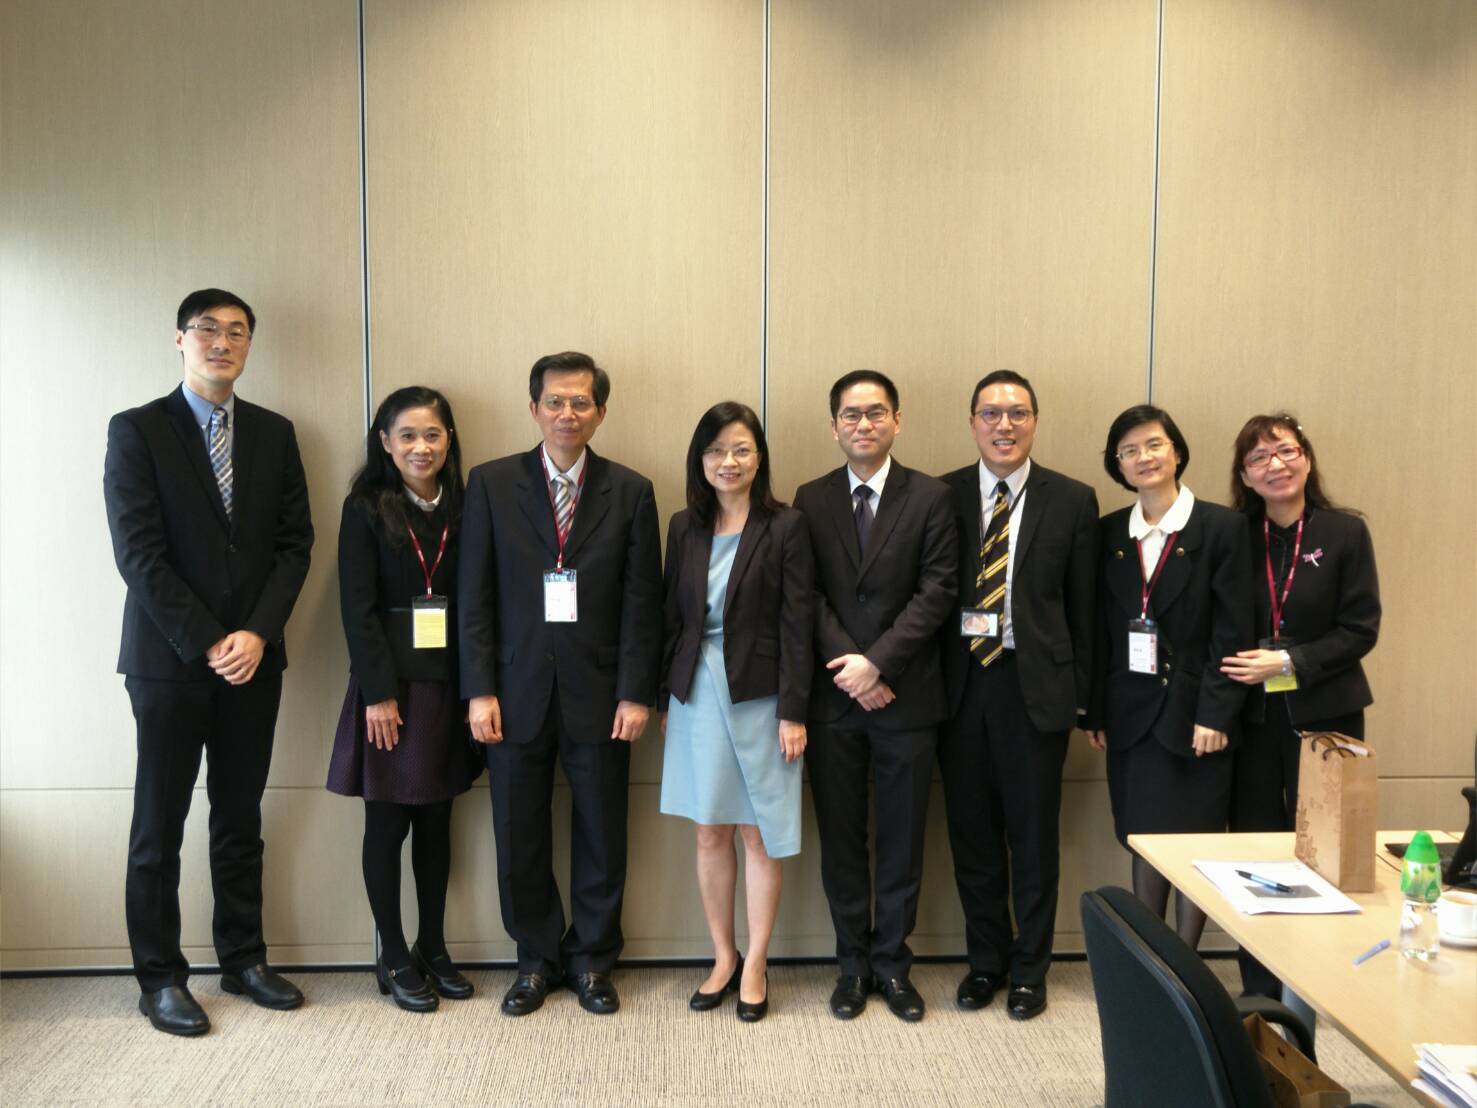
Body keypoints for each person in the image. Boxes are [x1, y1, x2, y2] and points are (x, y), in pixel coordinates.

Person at [103, 289, 314, 1036]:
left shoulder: (274, 433)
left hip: (255, 660)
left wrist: (255, 633)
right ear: (179, 339)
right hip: (168, 661)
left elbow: (294, 546)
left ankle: (243, 958)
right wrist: (206, 638)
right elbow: (138, 552)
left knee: (239, 815)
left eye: (237, 332)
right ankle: (159, 977)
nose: (222, 342)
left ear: (249, 345)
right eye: (208, 330)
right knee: (158, 823)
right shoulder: (136, 431)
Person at [458, 351, 662, 1017]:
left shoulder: (630, 491)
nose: (566, 414)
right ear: (533, 408)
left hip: (602, 696)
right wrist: (478, 689)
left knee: (603, 830)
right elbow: (474, 597)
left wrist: (637, 692)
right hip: (512, 694)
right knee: (518, 831)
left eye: (580, 403)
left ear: (600, 411)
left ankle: (593, 960)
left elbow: (642, 604)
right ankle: (535, 960)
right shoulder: (490, 484)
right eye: (554, 401)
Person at [793, 370, 957, 1023]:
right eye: (850, 415)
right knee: (840, 840)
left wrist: (879, 663)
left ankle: (893, 965)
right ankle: (851, 966)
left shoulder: (932, 497)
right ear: (833, 425)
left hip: (906, 699)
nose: (863, 424)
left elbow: (938, 590)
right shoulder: (809, 497)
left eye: (875, 413)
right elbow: (806, 595)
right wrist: (849, 668)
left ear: (896, 420)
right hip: (834, 702)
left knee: (900, 838)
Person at [938, 370, 1098, 1022]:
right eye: (990, 413)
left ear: (1034, 421)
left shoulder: (1071, 498)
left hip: (1034, 690)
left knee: (1031, 839)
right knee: (971, 836)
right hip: (958, 689)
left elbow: (1085, 609)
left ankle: (1029, 969)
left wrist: (1085, 701)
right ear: (972, 421)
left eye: (1017, 413)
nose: (1003, 425)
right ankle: (986, 963)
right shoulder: (939, 494)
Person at [326, 387, 482, 1011]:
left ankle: (433, 946)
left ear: (449, 441)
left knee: (439, 823)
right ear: (386, 443)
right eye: (408, 435)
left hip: (448, 686)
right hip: (389, 692)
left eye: (434, 435)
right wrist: (379, 694)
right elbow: (356, 610)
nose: (422, 447)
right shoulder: (364, 507)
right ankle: (392, 952)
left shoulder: (467, 507)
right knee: (387, 822)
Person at [659, 402, 813, 1023]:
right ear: (701, 459)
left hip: (764, 696)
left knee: (759, 833)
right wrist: (669, 695)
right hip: (696, 690)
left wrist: (795, 709)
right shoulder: (683, 526)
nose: (730, 461)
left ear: (759, 458)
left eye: (742, 449)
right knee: (708, 828)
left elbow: (799, 623)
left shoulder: (787, 525)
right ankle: (722, 955)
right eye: (718, 450)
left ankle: (757, 960)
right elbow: (672, 618)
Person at [1220, 412, 1380, 997]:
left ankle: (1318, 982)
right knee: (1258, 847)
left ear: (1306, 459)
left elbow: (1361, 629)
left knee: (1327, 849)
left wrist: (1289, 663)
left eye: (1285, 451)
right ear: (1245, 475)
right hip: (1253, 719)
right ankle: (1260, 985)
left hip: (1328, 714)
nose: (1276, 465)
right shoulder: (1232, 533)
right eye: (1259, 458)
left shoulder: (1344, 533)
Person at [1085, 404, 1253, 950]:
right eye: (1129, 451)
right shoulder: (1110, 532)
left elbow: (1235, 630)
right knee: (1143, 837)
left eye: (1153, 445)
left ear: (1176, 450)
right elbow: (1100, 630)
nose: (1143, 457)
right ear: (1119, 466)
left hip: (1195, 715)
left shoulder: (1221, 528)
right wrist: (1095, 710)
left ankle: (1187, 960)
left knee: (1195, 841)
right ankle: (1151, 955)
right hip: (1130, 715)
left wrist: (1217, 712)